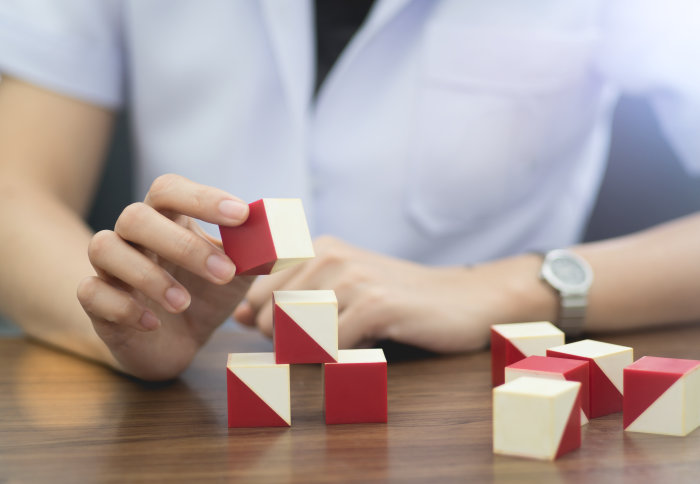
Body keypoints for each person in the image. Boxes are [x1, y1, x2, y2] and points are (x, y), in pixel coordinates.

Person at [1, 1, 699, 381]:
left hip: (479, 395)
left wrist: (510, 288)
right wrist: (130, 323)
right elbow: (14, 192)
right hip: (210, 401)